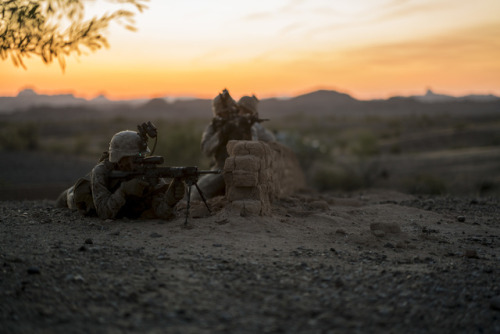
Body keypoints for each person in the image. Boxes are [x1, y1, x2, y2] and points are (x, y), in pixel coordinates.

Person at [56, 129, 185, 220]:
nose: (140, 159)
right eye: (134, 156)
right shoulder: (101, 171)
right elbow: (103, 213)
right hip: (82, 198)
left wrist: (170, 199)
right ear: (120, 158)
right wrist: (123, 191)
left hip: (118, 206)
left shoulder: (146, 171)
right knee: (68, 197)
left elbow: (161, 211)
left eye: (141, 155)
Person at [193, 89, 275, 200]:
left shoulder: (244, 124)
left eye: (227, 112)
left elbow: (255, 146)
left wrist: (243, 129)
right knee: (196, 191)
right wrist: (221, 133)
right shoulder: (215, 126)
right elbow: (206, 149)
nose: (225, 115)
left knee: (198, 192)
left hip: (239, 169)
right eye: (222, 113)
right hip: (219, 168)